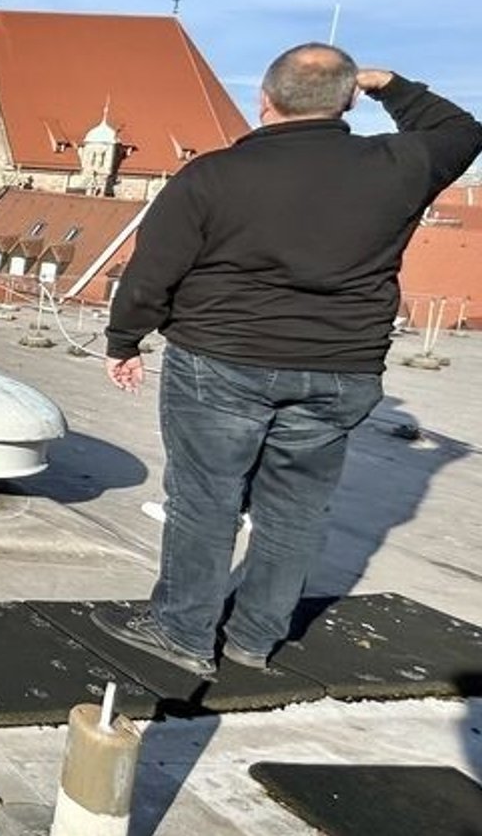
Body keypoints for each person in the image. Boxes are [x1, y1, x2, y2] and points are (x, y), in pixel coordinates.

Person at [98, 43, 481, 677]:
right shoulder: (397, 163)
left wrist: (125, 340)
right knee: (296, 507)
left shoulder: (212, 176)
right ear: (349, 101)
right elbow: (462, 132)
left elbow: (152, 272)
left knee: (205, 500)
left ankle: (183, 633)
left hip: (222, 359)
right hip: (340, 369)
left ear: (265, 100)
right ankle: (255, 638)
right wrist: (391, 85)